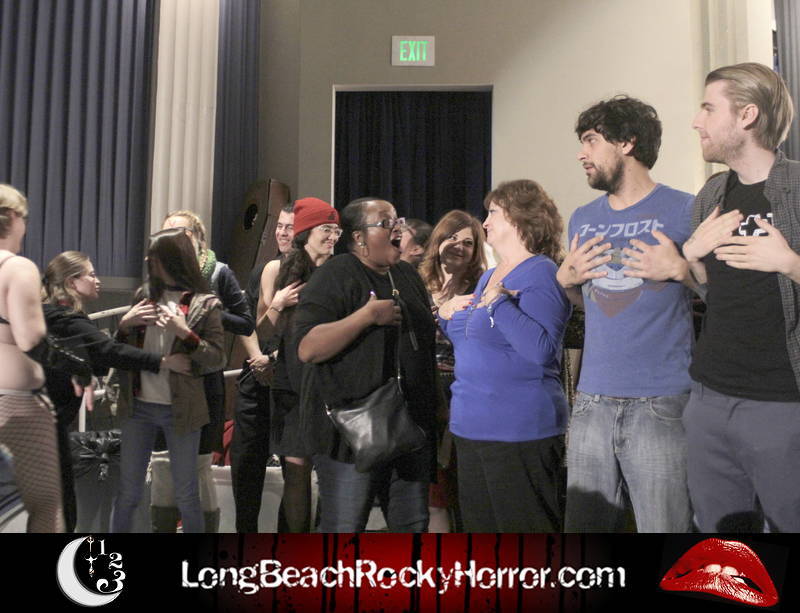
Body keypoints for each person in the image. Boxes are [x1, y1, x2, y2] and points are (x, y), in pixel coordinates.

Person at [557, 96, 695, 532]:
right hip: (592, 401)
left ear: (627, 143)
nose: (581, 154)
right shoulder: (582, 218)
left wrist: (681, 270)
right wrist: (566, 284)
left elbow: (723, 294)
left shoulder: (685, 208)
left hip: (661, 402)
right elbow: (595, 303)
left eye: (591, 141)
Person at [679, 63, 800, 531]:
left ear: (747, 115)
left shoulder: (796, 190)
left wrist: (789, 263)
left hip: (781, 406)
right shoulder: (711, 194)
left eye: (709, 108)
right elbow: (713, 292)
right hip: (708, 399)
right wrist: (691, 258)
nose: (697, 121)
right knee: (721, 546)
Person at [295, 197, 438, 532]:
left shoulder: (407, 275)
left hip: (410, 430)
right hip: (351, 435)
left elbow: (424, 348)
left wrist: (438, 407)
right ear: (359, 237)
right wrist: (367, 316)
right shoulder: (335, 275)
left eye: (398, 221)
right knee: (344, 528)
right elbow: (308, 348)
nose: (397, 230)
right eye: (386, 223)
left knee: (413, 525)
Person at [438, 180, 570, 532]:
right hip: (471, 425)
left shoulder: (541, 272)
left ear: (518, 217)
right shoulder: (489, 277)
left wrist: (499, 303)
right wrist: (446, 314)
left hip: (517, 428)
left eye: (493, 212)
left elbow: (541, 350)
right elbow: (474, 340)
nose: (485, 222)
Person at [41, 251, 190, 532]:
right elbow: (108, 352)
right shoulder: (64, 318)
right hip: (45, 423)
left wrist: (122, 328)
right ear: (72, 282)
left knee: (59, 505)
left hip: (49, 421)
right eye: (91, 274)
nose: (97, 280)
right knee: (60, 508)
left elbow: (97, 362)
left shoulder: (60, 316)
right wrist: (163, 361)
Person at [111, 228, 225, 533]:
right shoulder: (144, 296)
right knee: (129, 491)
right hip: (138, 406)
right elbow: (119, 353)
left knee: (187, 493)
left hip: (181, 409)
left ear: (173, 259)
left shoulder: (205, 303)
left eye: (156, 256)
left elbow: (217, 358)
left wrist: (184, 333)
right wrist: (124, 326)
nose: (149, 261)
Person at [148, 211, 253, 532]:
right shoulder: (157, 273)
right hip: (165, 381)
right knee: (163, 462)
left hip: (205, 380)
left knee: (200, 464)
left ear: (197, 238)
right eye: (166, 234)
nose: (172, 240)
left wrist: (209, 310)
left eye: (180, 233)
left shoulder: (219, 273)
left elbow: (245, 322)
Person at [0, 184, 83, 532]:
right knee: (46, 506)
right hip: (17, 403)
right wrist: (78, 367)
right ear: (12, 217)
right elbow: (31, 338)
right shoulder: (17, 268)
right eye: (25, 218)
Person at [269, 198, 340, 532]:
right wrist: (277, 304)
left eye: (337, 231)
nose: (333, 236)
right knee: (296, 475)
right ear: (306, 232)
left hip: (330, 386)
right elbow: (262, 331)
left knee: (331, 475)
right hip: (293, 387)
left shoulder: (342, 272)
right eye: (326, 229)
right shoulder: (281, 272)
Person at [418, 210, 486, 532]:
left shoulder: (482, 289)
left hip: (461, 391)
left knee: (458, 487)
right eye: (452, 237)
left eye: (468, 242)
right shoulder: (416, 284)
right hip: (419, 391)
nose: (459, 246)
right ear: (438, 240)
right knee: (428, 493)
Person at [231, 202, 295, 532]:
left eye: (290, 227)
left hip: (290, 376)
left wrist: (275, 360)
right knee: (245, 461)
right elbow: (248, 324)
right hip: (256, 374)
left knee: (294, 467)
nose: (283, 233)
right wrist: (258, 358)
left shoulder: (316, 274)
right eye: (280, 226)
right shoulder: (263, 270)